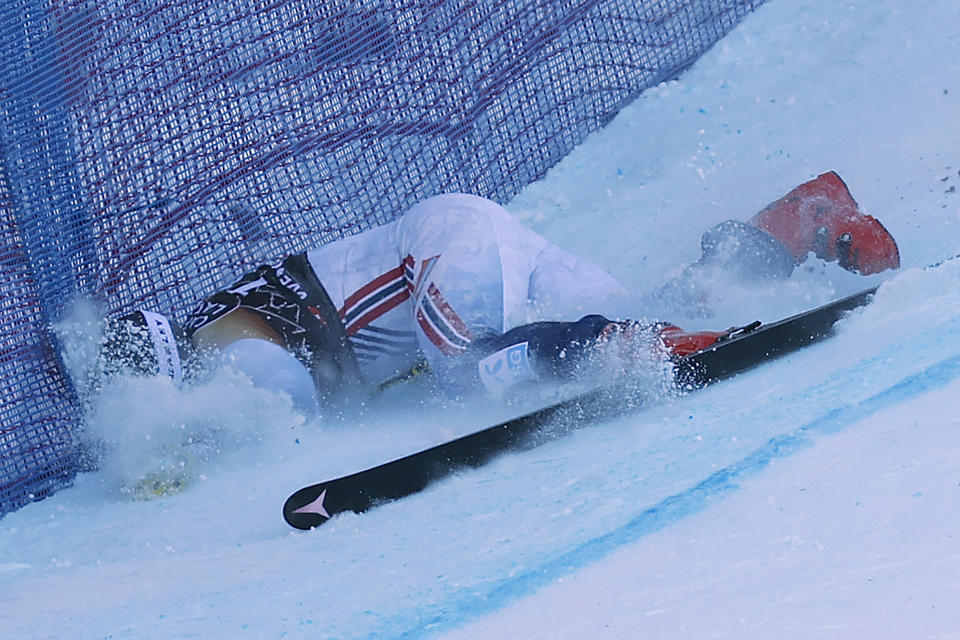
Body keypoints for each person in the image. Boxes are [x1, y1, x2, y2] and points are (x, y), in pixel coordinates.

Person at [99, 171, 899, 410]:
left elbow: (289, 412)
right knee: (666, 300)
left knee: (477, 372)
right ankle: (808, 216)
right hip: (460, 239)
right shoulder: (225, 325)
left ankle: (637, 350)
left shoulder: (220, 343)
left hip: (442, 252)